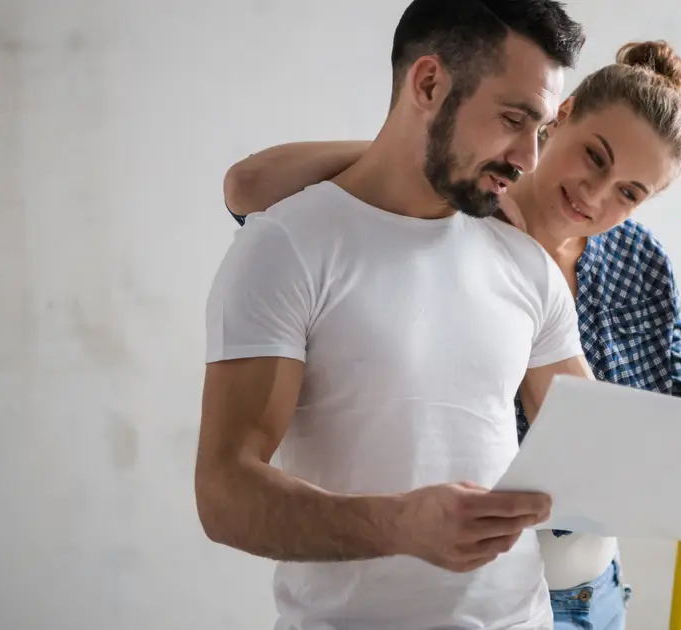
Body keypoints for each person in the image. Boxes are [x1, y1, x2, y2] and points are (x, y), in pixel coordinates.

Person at [223, 39, 681, 630]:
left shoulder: (637, 261)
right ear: (563, 114)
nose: (596, 196)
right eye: (595, 158)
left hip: (592, 594)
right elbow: (249, 185)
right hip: (462, 597)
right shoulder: (453, 221)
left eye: (630, 193)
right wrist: (444, 163)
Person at [194, 1, 593, 629]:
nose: (528, 159)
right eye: (514, 119)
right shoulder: (288, 247)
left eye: (539, 130)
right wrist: (401, 525)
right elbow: (224, 495)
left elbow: (593, 446)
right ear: (429, 84)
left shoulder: (526, 265)